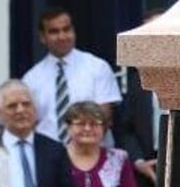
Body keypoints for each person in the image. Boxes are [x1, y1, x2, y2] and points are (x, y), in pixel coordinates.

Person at [23, 10, 122, 143]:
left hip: (92, 153)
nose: (62, 36)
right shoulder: (31, 79)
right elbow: (29, 123)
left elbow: (104, 116)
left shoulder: (97, 67)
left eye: (66, 29)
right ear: (42, 37)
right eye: (54, 32)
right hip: (49, 157)